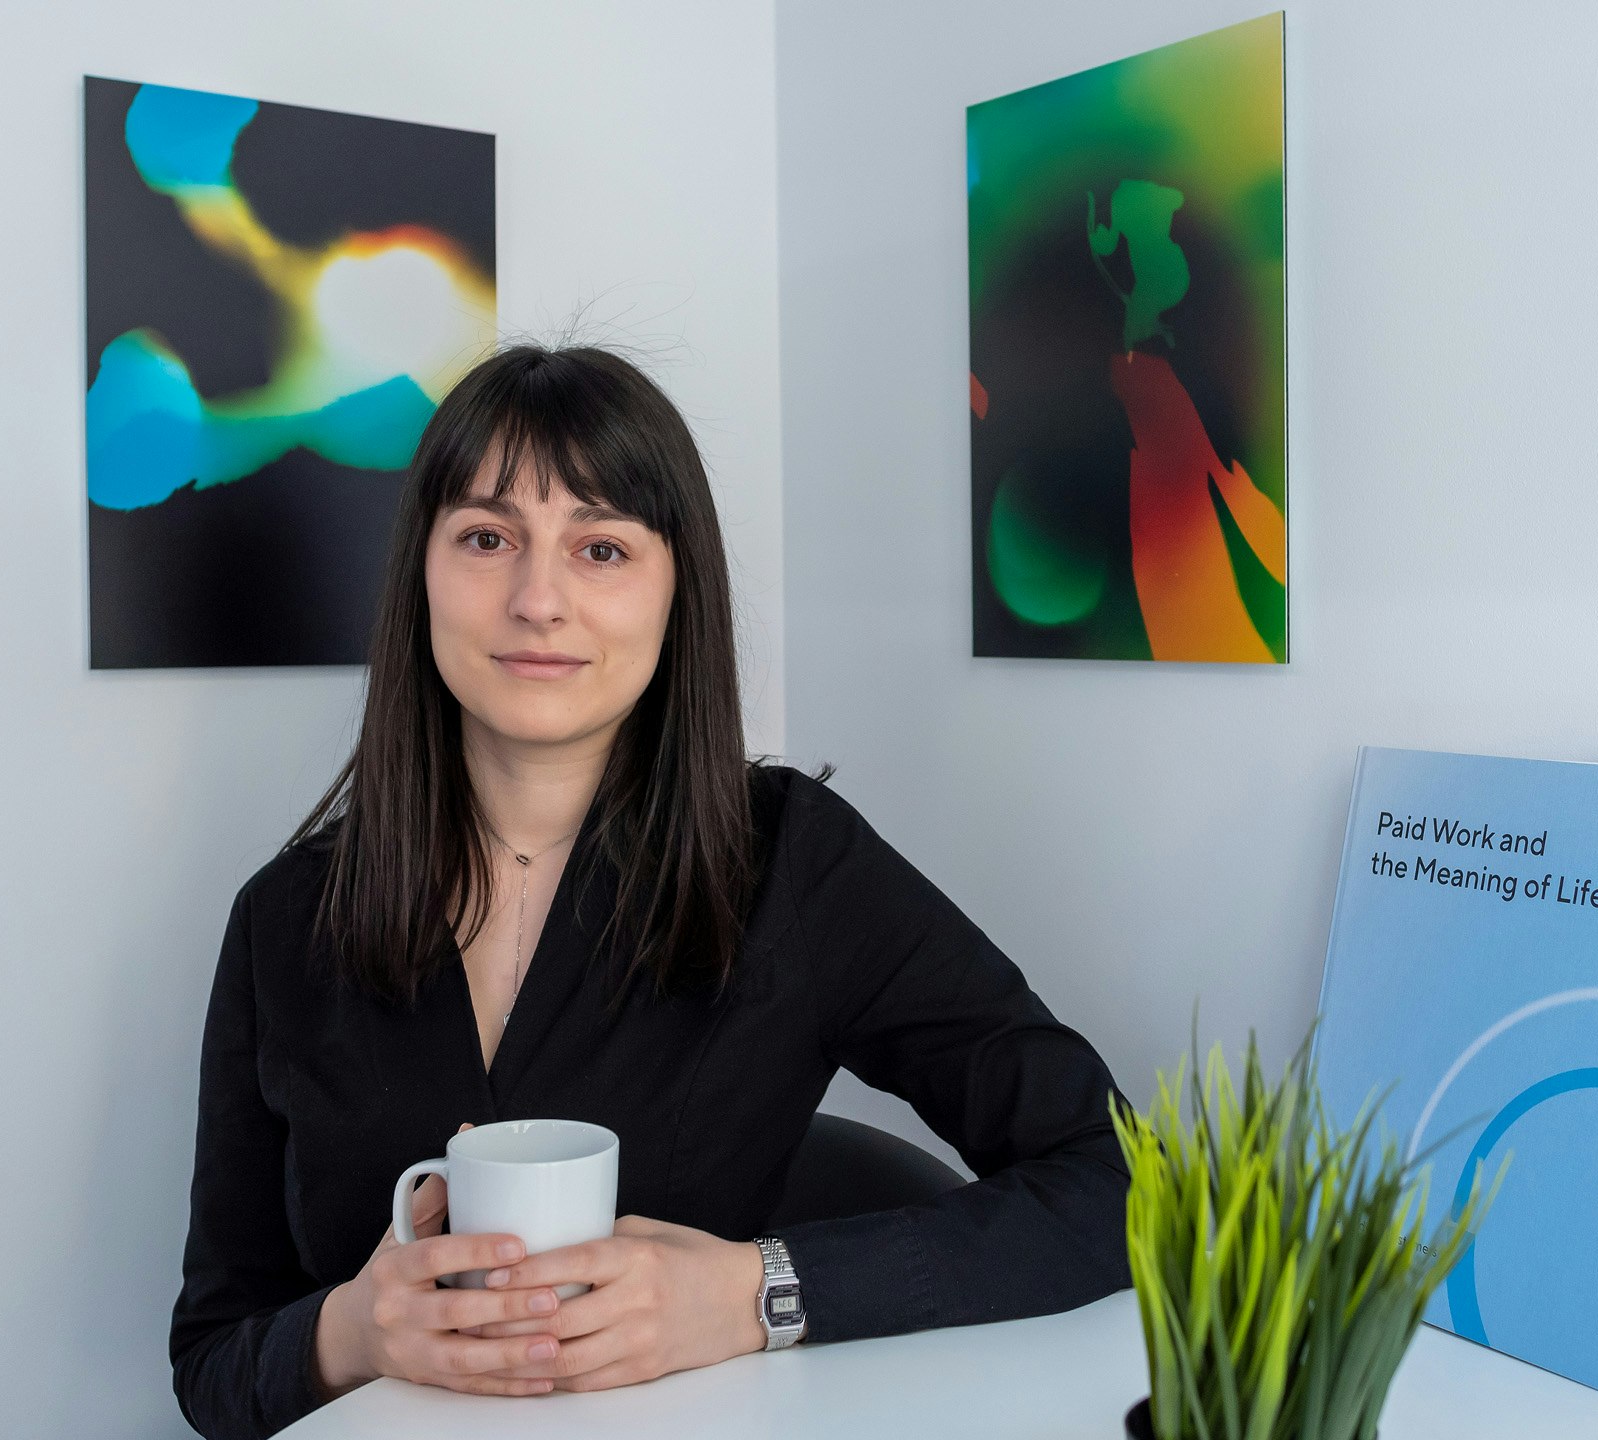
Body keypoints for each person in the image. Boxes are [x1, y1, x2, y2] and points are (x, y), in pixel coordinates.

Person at [168, 344, 1132, 1440]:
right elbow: (212, 1360)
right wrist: (347, 1331)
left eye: (601, 548)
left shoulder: (790, 863)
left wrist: (755, 1294)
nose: (540, 599)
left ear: (676, 590)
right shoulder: (284, 920)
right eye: (488, 538)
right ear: (419, 574)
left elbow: (1113, 1180)